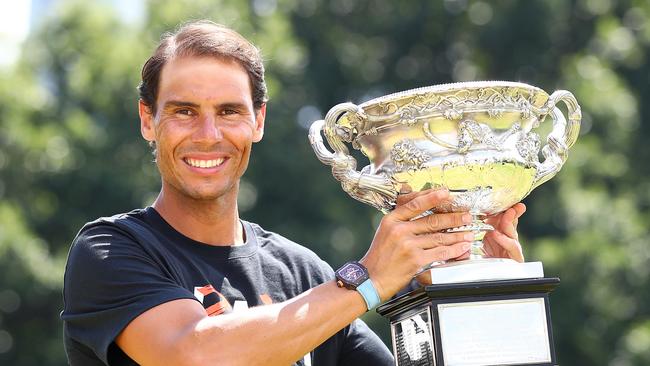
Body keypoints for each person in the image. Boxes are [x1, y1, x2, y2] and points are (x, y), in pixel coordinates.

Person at [61, 20, 526, 366]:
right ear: (148, 120)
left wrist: (479, 291)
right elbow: (192, 354)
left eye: (229, 111)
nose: (208, 134)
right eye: (184, 111)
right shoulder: (111, 251)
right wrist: (366, 280)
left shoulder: (304, 273)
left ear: (258, 121)